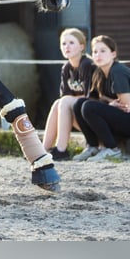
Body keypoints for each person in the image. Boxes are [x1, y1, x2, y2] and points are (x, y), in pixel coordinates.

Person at [72, 35, 130, 161]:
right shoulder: (99, 73)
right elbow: (100, 99)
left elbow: (127, 107)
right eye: (95, 51)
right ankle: (93, 147)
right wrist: (109, 105)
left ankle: (112, 150)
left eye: (103, 51)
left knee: (88, 107)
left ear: (113, 54)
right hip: (125, 119)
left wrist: (108, 106)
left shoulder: (117, 72)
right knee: (79, 104)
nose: (98, 55)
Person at [41, 28, 95, 160]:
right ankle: (42, 151)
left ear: (81, 46)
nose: (67, 47)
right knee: (58, 103)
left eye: (71, 42)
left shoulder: (88, 64)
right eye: (63, 44)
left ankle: (61, 149)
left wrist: (69, 100)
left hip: (95, 116)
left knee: (64, 101)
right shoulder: (66, 68)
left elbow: (91, 97)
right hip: (80, 116)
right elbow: (65, 97)